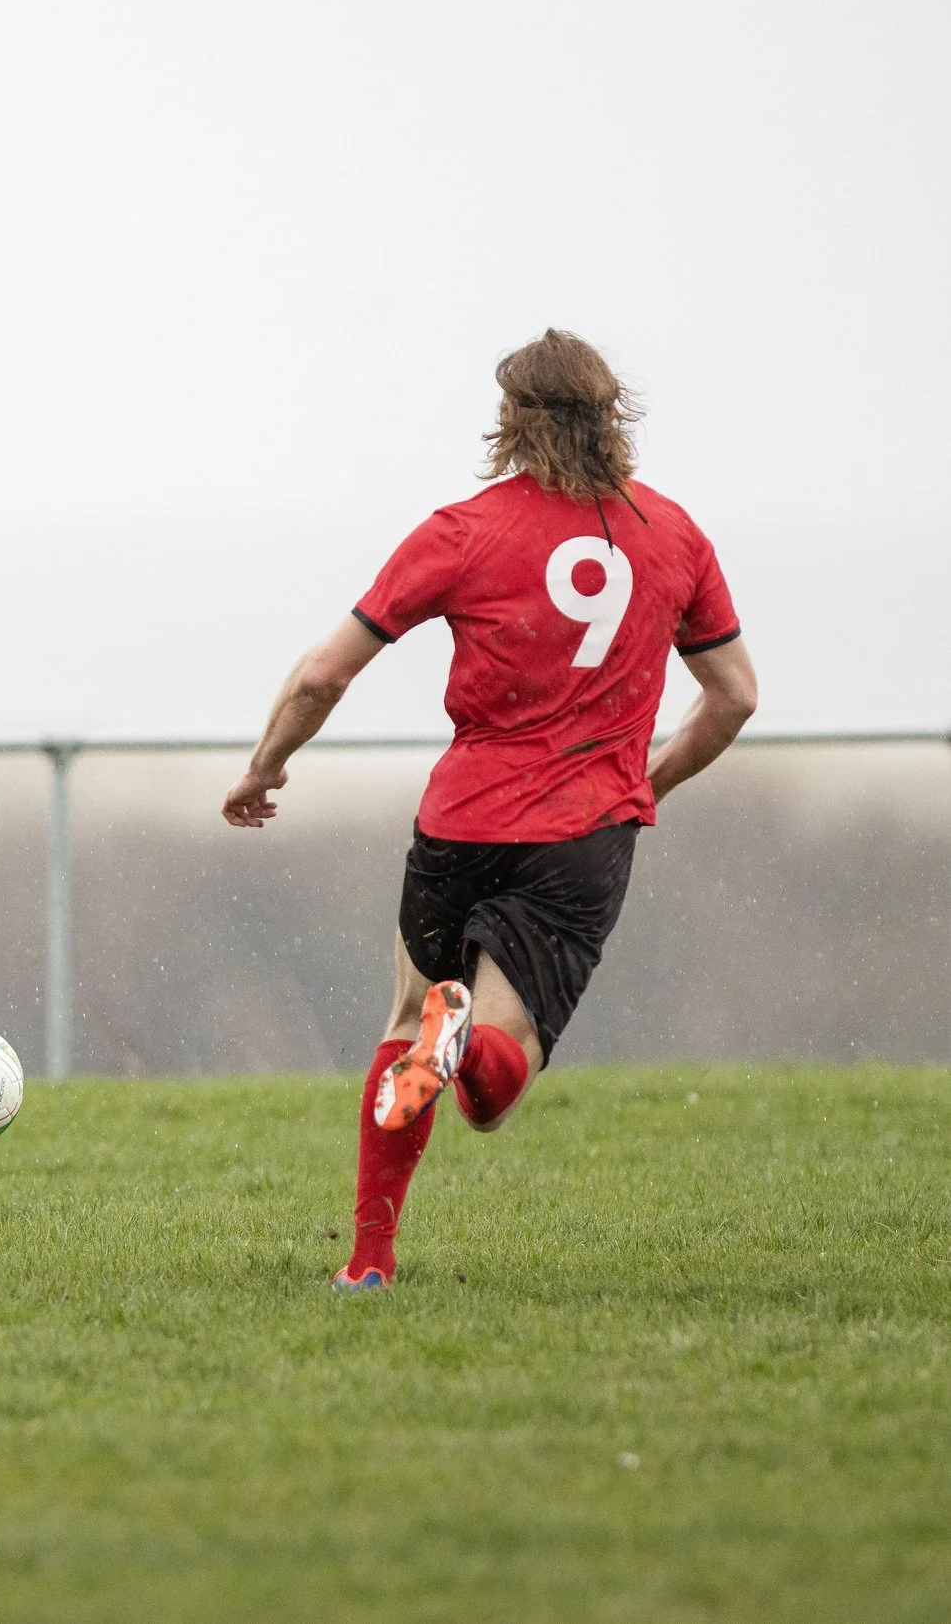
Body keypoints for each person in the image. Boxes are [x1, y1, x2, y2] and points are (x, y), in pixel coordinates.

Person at [220, 330, 757, 1291]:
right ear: (612, 417)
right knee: (494, 1093)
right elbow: (734, 697)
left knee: (405, 1024)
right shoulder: (674, 534)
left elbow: (321, 675)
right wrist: (651, 784)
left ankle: (369, 1262)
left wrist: (265, 768)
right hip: (579, 839)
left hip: (459, 824)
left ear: (511, 420)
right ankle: (463, 1046)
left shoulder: (463, 530)